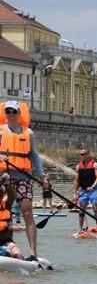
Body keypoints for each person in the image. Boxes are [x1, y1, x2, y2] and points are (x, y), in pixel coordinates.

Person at [0, 101, 48, 261]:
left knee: (27, 212)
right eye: (8, 111)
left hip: (23, 178)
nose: (11, 114)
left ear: (19, 114)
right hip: (3, 177)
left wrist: (42, 176)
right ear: (5, 113)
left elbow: (34, 156)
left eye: (14, 111)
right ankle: (7, 243)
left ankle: (33, 254)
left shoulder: (29, 133)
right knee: (4, 212)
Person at [73, 148, 97, 232]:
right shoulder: (78, 167)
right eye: (81, 154)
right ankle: (81, 229)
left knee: (95, 208)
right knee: (82, 209)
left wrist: (92, 186)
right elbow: (76, 180)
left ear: (88, 154)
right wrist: (74, 192)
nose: (83, 156)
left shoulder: (95, 165)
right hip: (83, 190)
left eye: (84, 154)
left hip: (93, 190)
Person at [0, 173, 24, 259]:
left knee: (18, 254)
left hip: (6, 241)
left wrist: (8, 183)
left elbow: (11, 194)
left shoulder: (7, 204)